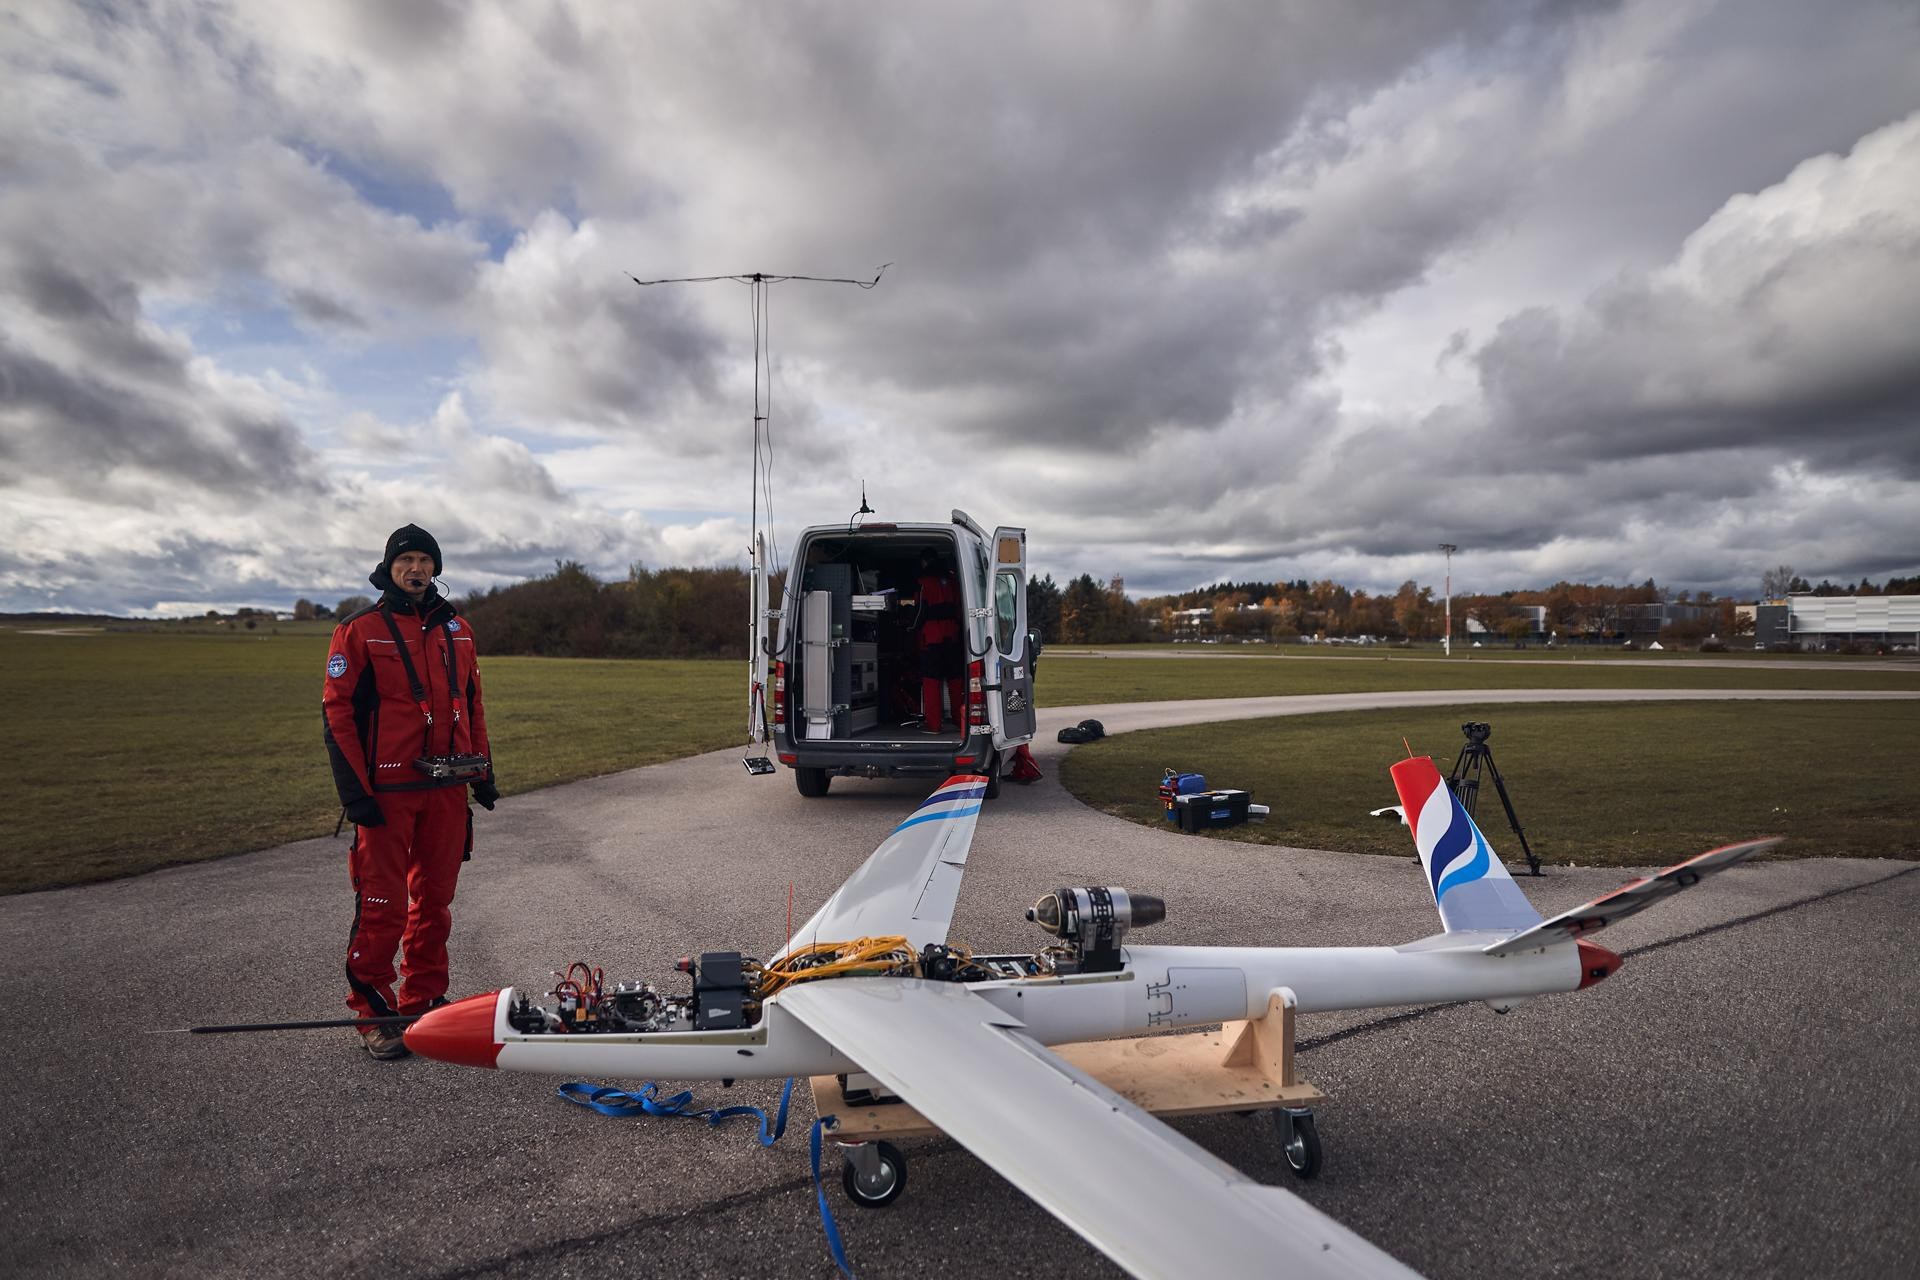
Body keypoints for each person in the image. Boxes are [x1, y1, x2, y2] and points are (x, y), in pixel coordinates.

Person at [322, 524, 498, 1059]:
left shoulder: (459, 631)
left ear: (436, 568)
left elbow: (473, 704)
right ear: (389, 567)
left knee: (436, 903)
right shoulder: (360, 629)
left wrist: (483, 771)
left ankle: (423, 1001)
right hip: (387, 794)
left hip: (446, 790)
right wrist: (356, 792)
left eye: (425, 560)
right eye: (406, 561)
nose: (416, 570)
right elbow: (337, 713)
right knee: (383, 905)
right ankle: (376, 1017)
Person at [912, 551, 965, 734]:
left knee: (931, 680)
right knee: (955, 679)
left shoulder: (923, 583)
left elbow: (920, 611)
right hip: (953, 635)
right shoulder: (953, 581)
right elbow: (960, 608)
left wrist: (912, 627)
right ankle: (960, 720)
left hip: (932, 636)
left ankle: (934, 725)